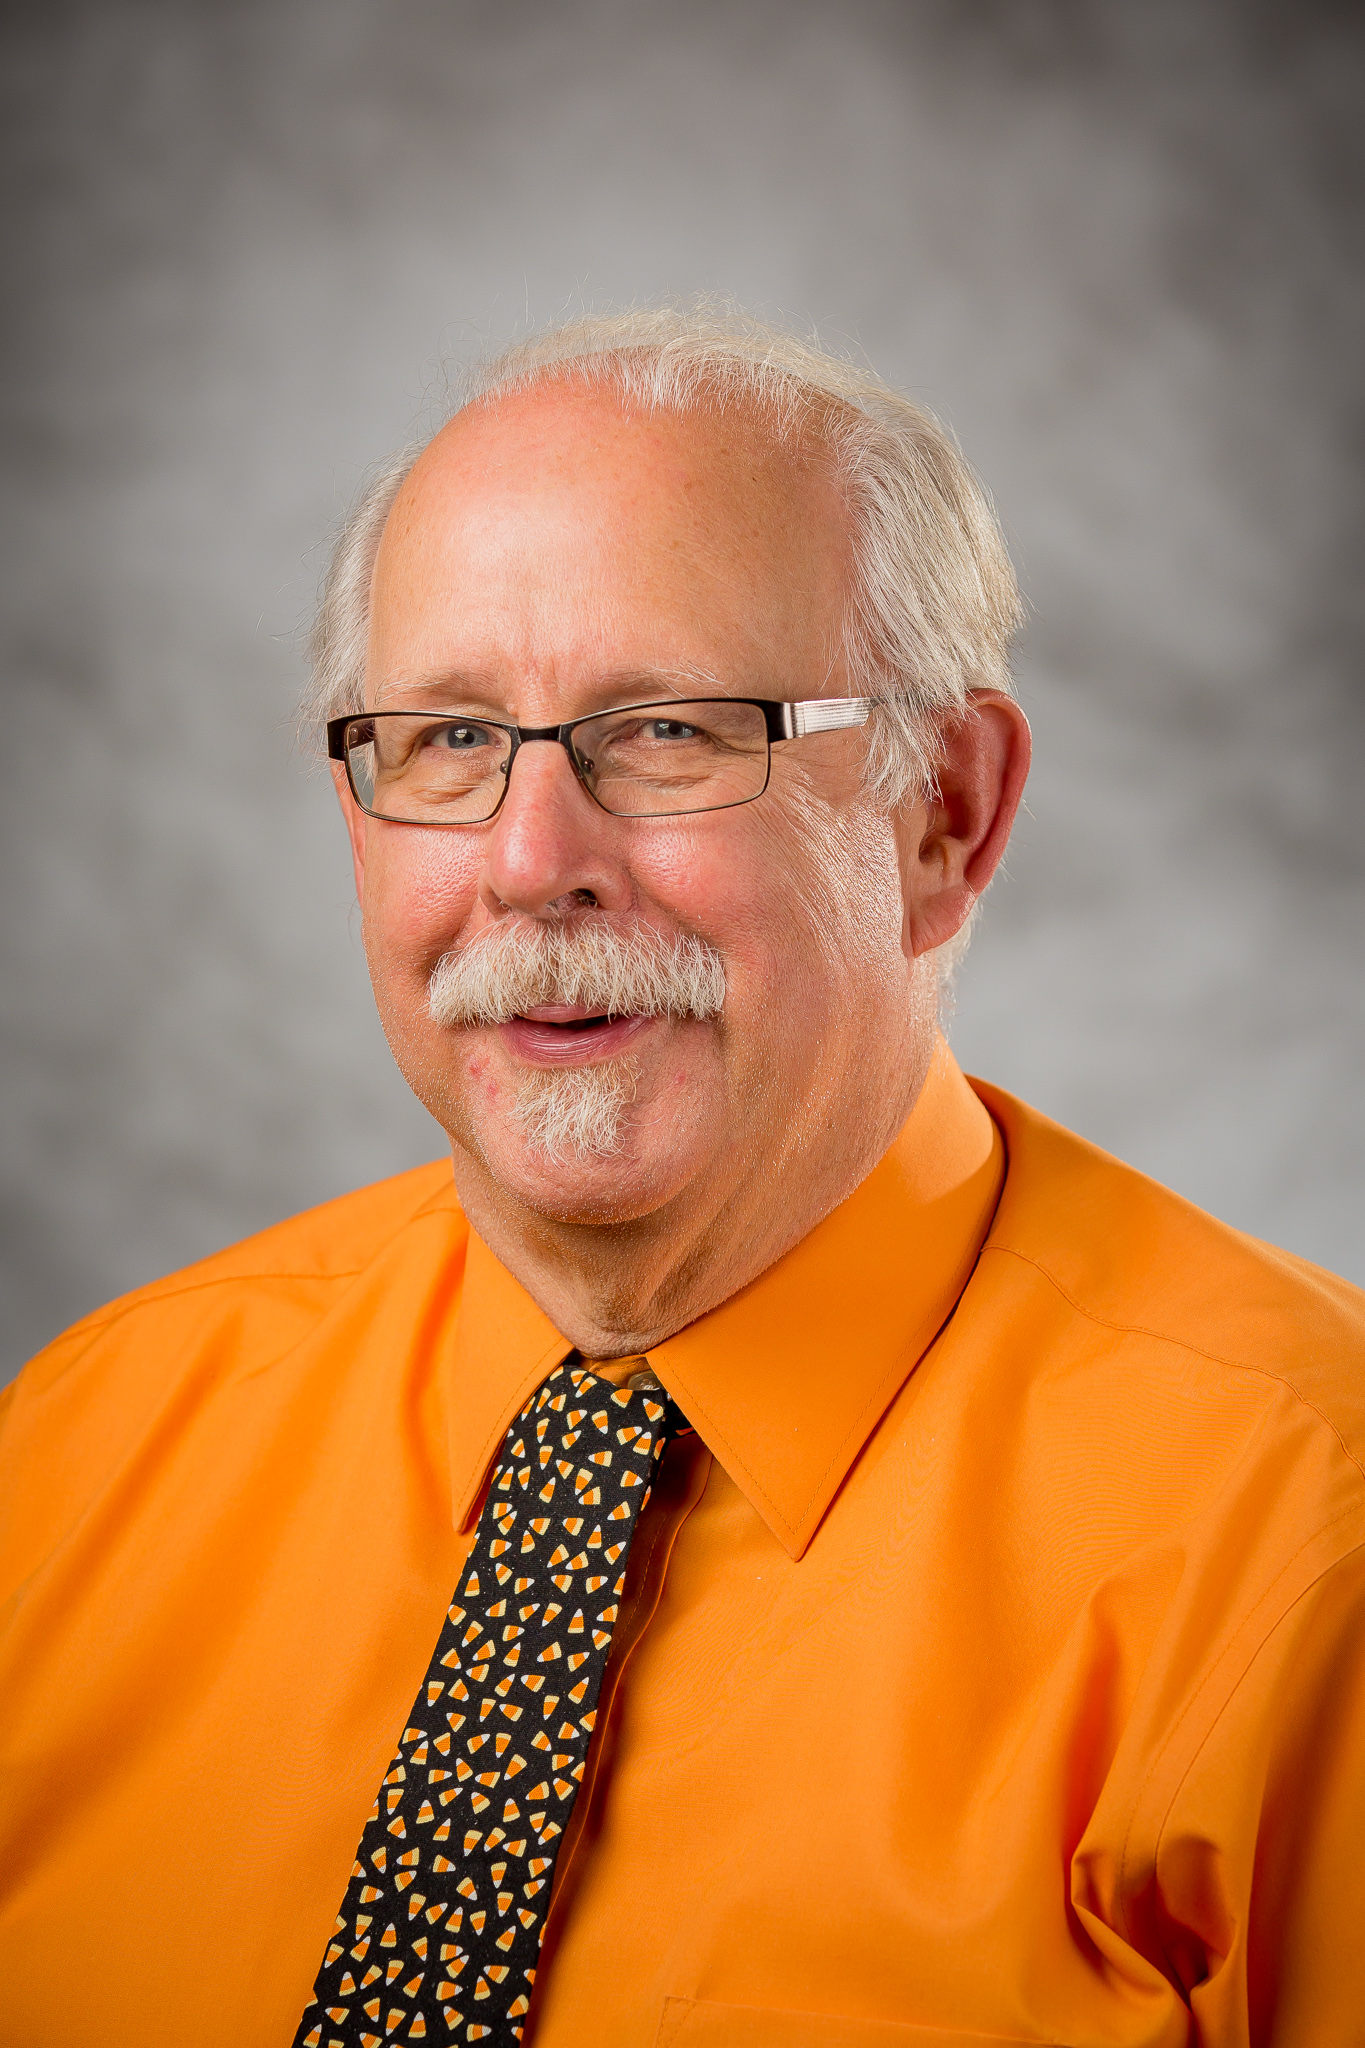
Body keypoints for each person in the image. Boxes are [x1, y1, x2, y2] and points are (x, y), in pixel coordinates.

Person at [1, 307, 1362, 2048]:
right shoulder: (82, 1459)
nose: (529, 864)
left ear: (942, 814)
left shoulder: (1308, 1554)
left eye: (664, 734)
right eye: (446, 739)